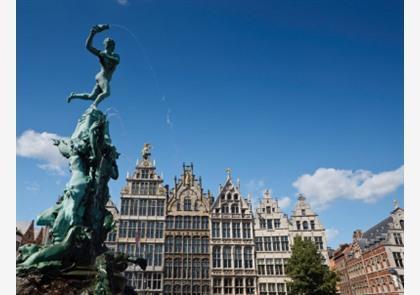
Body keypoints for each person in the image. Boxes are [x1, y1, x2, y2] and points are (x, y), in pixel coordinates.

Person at [67, 24, 120, 108]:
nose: (113, 47)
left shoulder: (115, 55)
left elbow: (117, 61)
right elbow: (88, 47)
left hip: (105, 78)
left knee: (91, 96)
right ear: (109, 45)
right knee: (106, 92)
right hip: (102, 77)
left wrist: (106, 56)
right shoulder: (101, 54)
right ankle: (94, 106)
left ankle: (74, 95)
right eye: (112, 45)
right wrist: (92, 33)